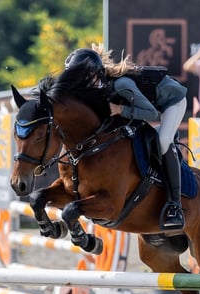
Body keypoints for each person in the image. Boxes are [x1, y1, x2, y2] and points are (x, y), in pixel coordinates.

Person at [64, 45, 187, 231]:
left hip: (171, 101)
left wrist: (121, 110)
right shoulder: (97, 86)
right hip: (148, 104)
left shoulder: (121, 85)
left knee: (163, 142)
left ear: (93, 74)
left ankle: (175, 205)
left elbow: (151, 113)